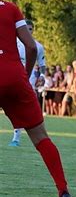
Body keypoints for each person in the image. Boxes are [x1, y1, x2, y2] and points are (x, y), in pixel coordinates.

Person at [0, 0, 76, 197]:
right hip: (15, 77)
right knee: (41, 138)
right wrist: (23, 74)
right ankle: (63, 191)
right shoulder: (10, 7)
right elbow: (31, 47)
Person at [9, 19, 47, 147]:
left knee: (21, 108)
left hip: (27, 81)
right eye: (26, 28)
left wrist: (42, 75)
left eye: (30, 29)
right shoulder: (13, 43)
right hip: (12, 78)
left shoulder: (38, 47)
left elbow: (42, 65)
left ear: (33, 30)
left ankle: (16, 137)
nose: (28, 31)